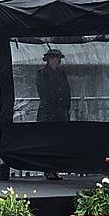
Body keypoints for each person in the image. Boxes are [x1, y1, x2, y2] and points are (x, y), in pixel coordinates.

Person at [36, 48, 71, 180]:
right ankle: (48, 169)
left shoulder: (61, 73)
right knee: (47, 142)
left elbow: (66, 90)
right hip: (48, 113)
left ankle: (55, 168)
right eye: (55, 58)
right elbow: (44, 92)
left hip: (61, 112)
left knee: (58, 142)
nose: (57, 60)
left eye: (59, 58)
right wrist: (51, 109)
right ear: (49, 59)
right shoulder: (42, 73)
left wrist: (66, 108)